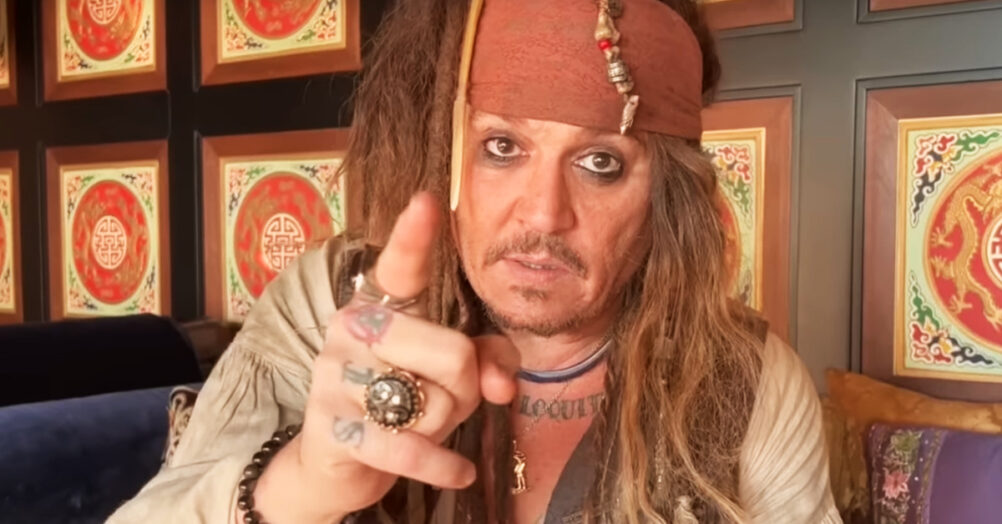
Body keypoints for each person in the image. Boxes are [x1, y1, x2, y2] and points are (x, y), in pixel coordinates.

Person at [108, 0, 841, 522]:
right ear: (449, 154)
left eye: (600, 162)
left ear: (664, 198)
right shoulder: (335, 306)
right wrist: (298, 483)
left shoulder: (745, 384)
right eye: (502, 147)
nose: (543, 213)